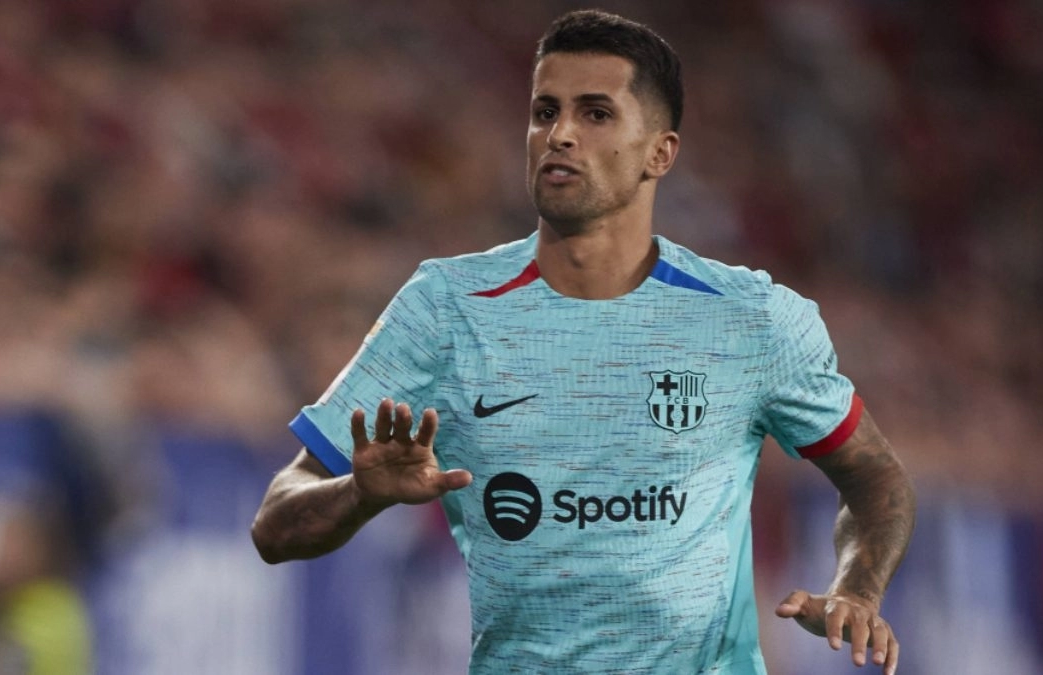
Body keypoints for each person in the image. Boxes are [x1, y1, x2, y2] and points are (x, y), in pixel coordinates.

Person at [251, 9, 916, 675]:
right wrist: (361, 494)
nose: (560, 134)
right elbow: (276, 524)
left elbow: (876, 477)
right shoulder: (445, 306)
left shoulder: (753, 317)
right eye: (545, 112)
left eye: (595, 113)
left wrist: (857, 588)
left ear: (660, 152)